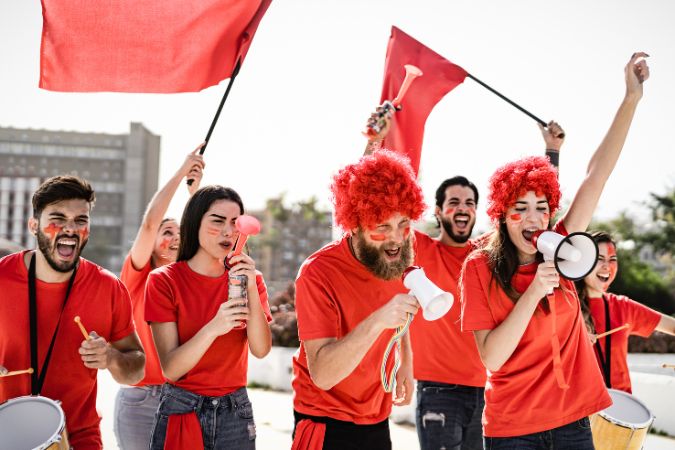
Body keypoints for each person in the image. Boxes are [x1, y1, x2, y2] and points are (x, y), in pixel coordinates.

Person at [460, 52, 649, 449]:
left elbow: (597, 174)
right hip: (514, 431)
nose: (534, 219)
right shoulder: (479, 267)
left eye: (542, 208)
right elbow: (491, 359)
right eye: (521, 209)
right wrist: (532, 293)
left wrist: (631, 98)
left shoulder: (564, 249)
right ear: (502, 214)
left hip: (573, 424)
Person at [365, 102, 564, 450]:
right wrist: (375, 144)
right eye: (454, 201)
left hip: (488, 389)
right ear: (439, 212)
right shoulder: (420, 248)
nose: (463, 208)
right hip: (439, 393)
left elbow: (537, 215)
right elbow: (379, 206)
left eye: (470, 202)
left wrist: (552, 152)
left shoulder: (487, 254)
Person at [291, 150, 424, 450]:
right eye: (382, 227)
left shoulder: (401, 247)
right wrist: (378, 319)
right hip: (325, 420)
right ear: (355, 225)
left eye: (403, 224)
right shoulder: (317, 273)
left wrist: (406, 359)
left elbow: (401, 303)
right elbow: (323, 374)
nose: (396, 238)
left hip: (376, 417)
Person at [0, 175, 145, 449]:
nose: (70, 229)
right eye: (58, 218)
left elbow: (136, 369)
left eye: (80, 220)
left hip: (79, 438)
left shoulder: (108, 287)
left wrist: (112, 357)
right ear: (34, 226)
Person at [145, 185, 272, 449]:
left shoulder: (251, 279)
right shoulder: (164, 281)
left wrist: (250, 286)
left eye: (235, 223)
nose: (228, 231)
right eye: (218, 221)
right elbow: (171, 368)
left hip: (235, 412)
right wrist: (214, 327)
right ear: (195, 223)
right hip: (182, 407)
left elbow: (260, 350)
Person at [113, 145, 204, 449]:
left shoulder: (191, 279)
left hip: (185, 397)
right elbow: (150, 222)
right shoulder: (138, 275)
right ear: (151, 244)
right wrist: (181, 173)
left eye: (180, 231)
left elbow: (209, 235)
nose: (174, 237)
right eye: (167, 231)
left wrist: (196, 195)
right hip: (141, 399)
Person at [576, 230, 675, 393]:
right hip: (583, 408)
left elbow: (672, 327)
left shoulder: (623, 306)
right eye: (599, 259)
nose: (607, 266)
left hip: (623, 405)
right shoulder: (565, 305)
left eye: (612, 259)